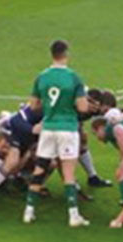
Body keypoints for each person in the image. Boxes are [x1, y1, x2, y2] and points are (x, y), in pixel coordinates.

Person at [24, 40, 92, 227]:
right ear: (66, 54)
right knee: (69, 173)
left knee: (40, 169)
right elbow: (82, 107)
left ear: (52, 55)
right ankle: (73, 215)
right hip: (68, 128)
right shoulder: (73, 77)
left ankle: (29, 211)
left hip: (48, 128)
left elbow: (33, 105)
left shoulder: (42, 77)